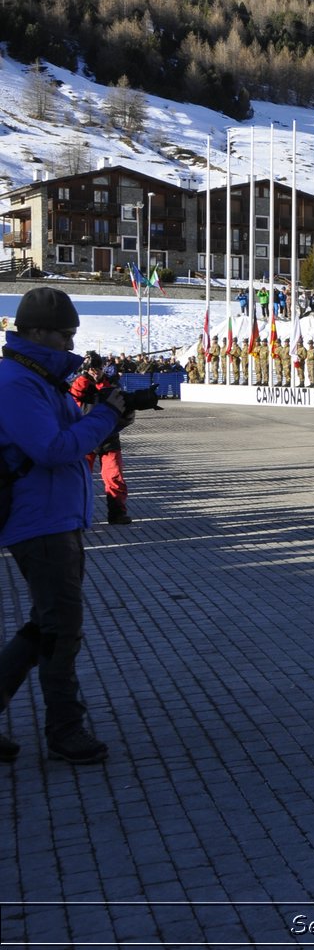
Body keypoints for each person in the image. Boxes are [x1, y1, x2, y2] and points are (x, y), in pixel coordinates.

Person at [0, 287, 130, 763]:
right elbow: (52, 450)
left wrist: (109, 419)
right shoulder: (16, 382)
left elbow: (66, 440)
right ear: (36, 332)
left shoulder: (38, 379)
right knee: (62, 630)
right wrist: (104, 418)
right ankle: (65, 731)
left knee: (45, 625)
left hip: (55, 518)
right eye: (64, 334)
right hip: (40, 522)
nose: (70, 345)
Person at [68, 352, 132, 525]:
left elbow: (116, 399)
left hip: (108, 436)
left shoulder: (110, 384)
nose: (95, 372)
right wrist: (85, 377)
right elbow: (75, 397)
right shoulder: (80, 384)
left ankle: (117, 512)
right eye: (91, 369)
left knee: (114, 476)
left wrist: (100, 381)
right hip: (85, 437)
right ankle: (76, 516)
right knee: (80, 478)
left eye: (97, 368)